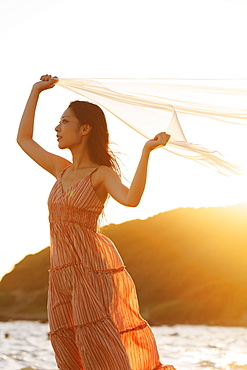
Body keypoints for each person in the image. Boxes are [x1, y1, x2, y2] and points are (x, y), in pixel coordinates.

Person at [17, 75, 175, 370]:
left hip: (90, 271)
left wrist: (146, 152)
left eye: (65, 121)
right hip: (60, 274)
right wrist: (35, 92)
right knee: (65, 346)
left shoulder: (101, 174)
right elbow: (24, 139)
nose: (57, 128)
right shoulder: (59, 169)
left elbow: (130, 199)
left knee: (96, 346)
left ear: (85, 128)